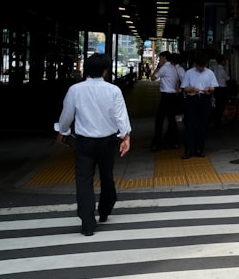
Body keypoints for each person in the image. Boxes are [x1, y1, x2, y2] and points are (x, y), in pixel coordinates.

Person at [55, 53, 132, 236]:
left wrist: (62, 132)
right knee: (107, 177)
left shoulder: (75, 90)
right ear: (105, 71)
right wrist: (125, 137)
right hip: (107, 141)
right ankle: (105, 211)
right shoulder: (113, 91)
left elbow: (67, 116)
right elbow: (120, 116)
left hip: (83, 142)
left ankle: (87, 223)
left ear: (87, 69)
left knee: (84, 181)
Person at [181, 52, 219, 159]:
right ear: (195, 64)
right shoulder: (189, 73)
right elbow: (184, 88)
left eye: (203, 66)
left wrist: (208, 89)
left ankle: (200, 149)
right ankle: (189, 150)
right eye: (199, 66)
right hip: (192, 99)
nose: (201, 68)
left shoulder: (210, 73)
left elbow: (214, 87)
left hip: (204, 98)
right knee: (190, 125)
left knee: (203, 125)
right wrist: (192, 89)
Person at [150, 51, 181, 150]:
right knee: (172, 120)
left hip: (166, 96)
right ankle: (175, 142)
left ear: (164, 57)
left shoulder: (164, 68)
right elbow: (177, 83)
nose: (159, 60)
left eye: (160, 58)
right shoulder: (174, 68)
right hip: (173, 96)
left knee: (159, 120)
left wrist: (158, 67)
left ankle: (157, 142)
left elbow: (153, 78)